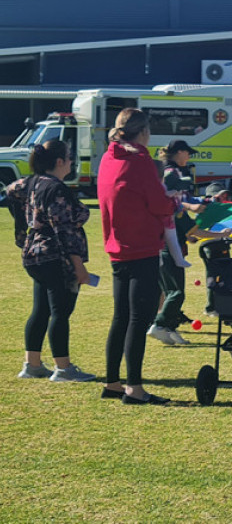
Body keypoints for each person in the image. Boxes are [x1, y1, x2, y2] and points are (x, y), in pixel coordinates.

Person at [98, 108, 179, 404]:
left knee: (120, 316)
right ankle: (134, 387)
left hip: (117, 246)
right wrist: (173, 204)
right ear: (143, 132)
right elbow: (158, 203)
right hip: (142, 245)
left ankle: (113, 382)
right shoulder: (141, 160)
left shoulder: (108, 157)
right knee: (138, 318)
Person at [7, 140, 96, 382]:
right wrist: (79, 267)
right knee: (60, 311)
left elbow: (10, 190)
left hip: (33, 254)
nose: (71, 161)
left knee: (41, 309)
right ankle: (63, 368)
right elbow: (64, 230)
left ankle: (32, 364)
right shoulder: (57, 189)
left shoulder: (31, 183)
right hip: (55, 255)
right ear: (59, 161)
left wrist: (22, 227)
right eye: (69, 157)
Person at [147, 140, 208, 346]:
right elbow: (173, 201)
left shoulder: (172, 172)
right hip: (167, 237)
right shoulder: (171, 173)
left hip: (174, 235)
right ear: (179, 152)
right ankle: (159, 324)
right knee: (174, 290)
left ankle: (168, 327)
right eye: (187, 153)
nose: (189, 157)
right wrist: (192, 206)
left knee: (168, 288)